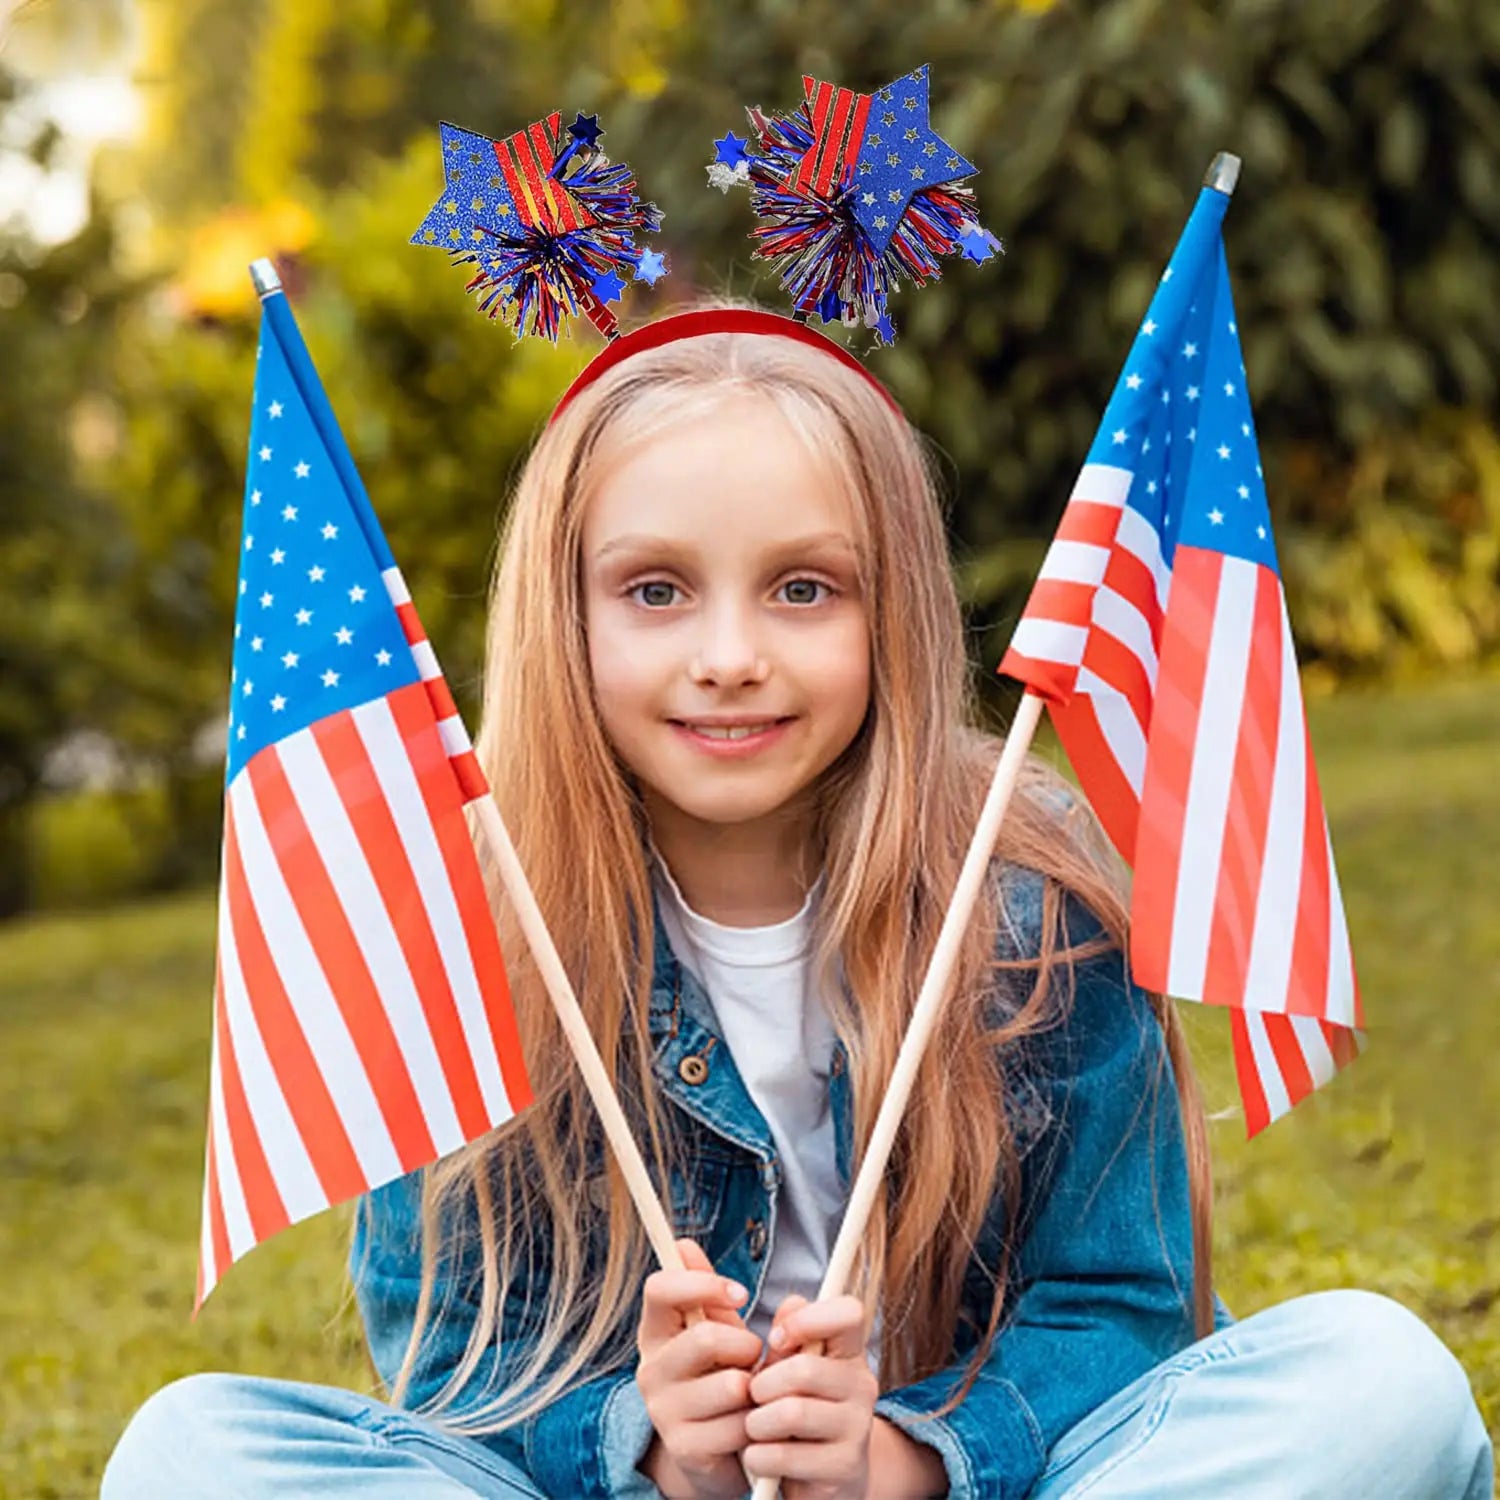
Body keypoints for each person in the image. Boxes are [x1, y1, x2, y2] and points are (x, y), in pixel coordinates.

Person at [103, 310, 1493, 1499]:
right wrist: (649, 1441)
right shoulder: (476, 924)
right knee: (188, 1451)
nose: (728, 656)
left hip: (971, 1486)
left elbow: (1117, 1306)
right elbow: (450, 1339)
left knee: (1382, 1380)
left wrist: (905, 1457)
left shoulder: (1036, 904)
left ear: (894, 610)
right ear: (561, 615)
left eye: (803, 589)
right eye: (654, 590)